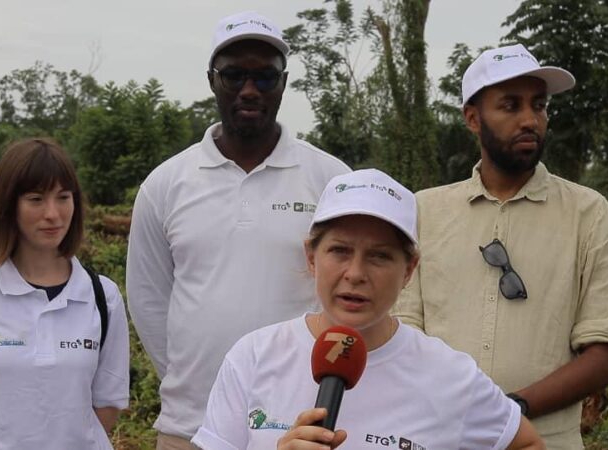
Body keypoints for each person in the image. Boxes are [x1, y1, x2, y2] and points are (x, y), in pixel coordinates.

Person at [191, 169, 544, 450]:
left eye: (379, 256)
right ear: (312, 257)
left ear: (409, 269)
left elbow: (527, 443)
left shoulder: (450, 375)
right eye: (340, 251)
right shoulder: (254, 356)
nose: (356, 274)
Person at [126, 10, 350, 449]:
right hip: (190, 424)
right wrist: (187, 378)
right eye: (234, 76)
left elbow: (350, 291)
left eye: (265, 77)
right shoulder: (166, 184)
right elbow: (149, 298)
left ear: (283, 84)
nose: (250, 90)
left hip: (303, 421)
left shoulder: (329, 179)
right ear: (212, 80)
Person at [393, 43, 608, 449]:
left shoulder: (586, 213)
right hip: (437, 436)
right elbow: (401, 332)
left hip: (545, 439)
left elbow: (602, 355)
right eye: (510, 106)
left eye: (538, 106)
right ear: (472, 118)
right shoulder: (422, 211)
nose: (530, 120)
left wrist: (508, 410)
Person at [0, 138, 130, 450]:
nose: (53, 214)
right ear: (8, 206)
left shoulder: (103, 297)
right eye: (36, 199)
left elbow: (108, 403)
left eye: (63, 197)